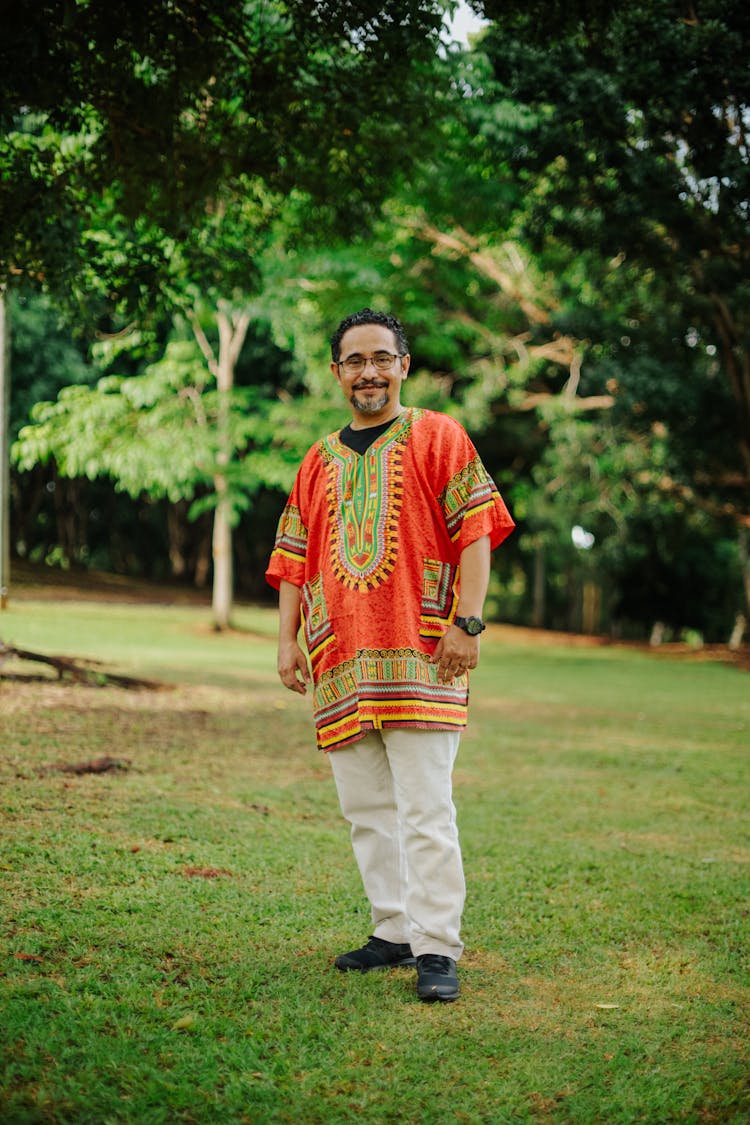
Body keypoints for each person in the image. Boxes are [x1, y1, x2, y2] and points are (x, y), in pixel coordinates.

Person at [265, 308, 514, 1002]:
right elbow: (292, 556)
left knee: (426, 807)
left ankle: (437, 946)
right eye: (355, 360)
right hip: (340, 658)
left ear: (403, 364)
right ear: (338, 372)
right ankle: (394, 928)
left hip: (422, 652)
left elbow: (476, 529)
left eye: (382, 357)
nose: (368, 371)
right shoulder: (317, 459)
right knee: (367, 806)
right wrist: (287, 639)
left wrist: (467, 621)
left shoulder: (439, 435)